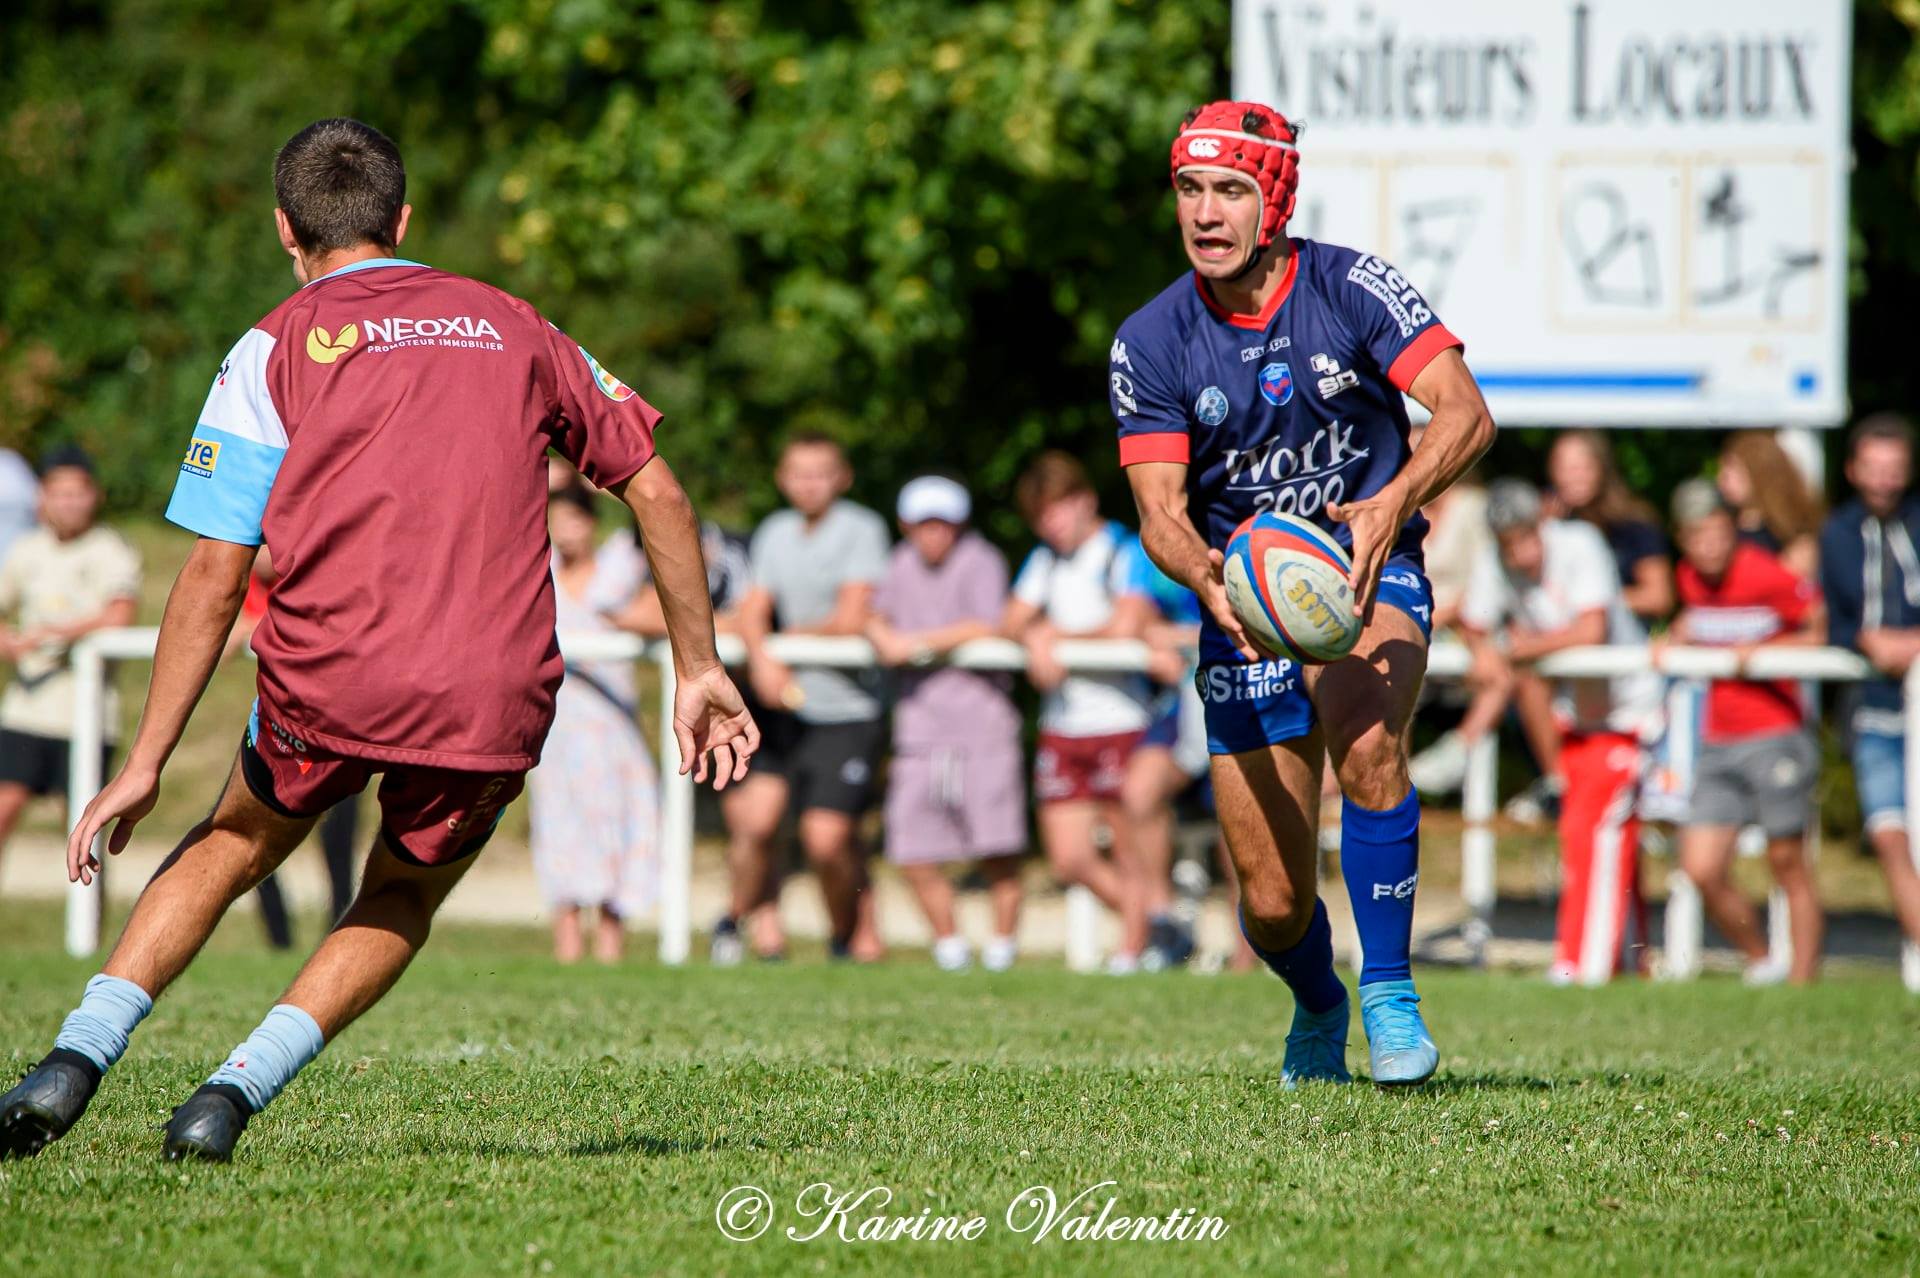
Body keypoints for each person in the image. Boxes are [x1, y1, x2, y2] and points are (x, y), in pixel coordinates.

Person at [0, 118, 754, 1163]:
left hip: (331, 676)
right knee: (400, 892)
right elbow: (660, 494)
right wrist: (699, 667)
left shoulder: (273, 345)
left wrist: (145, 762)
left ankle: (75, 1059)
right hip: (493, 694)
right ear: (403, 221)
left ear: (285, 229)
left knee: (232, 844)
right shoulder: (517, 325)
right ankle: (228, 1098)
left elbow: (216, 572)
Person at [1114, 101, 1495, 1083]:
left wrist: (1391, 504)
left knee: (1367, 744)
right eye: (1189, 189)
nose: (1205, 212)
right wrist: (1207, 579)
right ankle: (1320, 1002)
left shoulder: (1350, 287)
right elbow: (1159, 512)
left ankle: (1391, 996)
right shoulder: (1151, 338)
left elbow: (1464, 412)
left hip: (1367, 569)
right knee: (1274, 903)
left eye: (1229, 190)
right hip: (1243, 608)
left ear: (1273, 199)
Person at [1459, 481, 1662, 985]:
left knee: (1590, 831)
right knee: (1604, 837)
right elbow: (1473, 623)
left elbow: (1592, 630)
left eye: (1527, 538)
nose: (1521, 555)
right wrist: (1486, 650)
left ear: (1542, 525)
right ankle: (1630, 961)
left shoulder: (1581, 544)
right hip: (1579, 717)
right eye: (1510, 545)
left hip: (1631, 713)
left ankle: (1581, 965)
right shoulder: (1493, 561)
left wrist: (1518, 649)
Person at [734, 433, 891, 962]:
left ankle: (848, 932)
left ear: (842, 477)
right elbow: (753, 609)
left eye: (820, 472)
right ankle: (751, 927)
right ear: (782, 479)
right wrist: (763, 659)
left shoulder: (863, 529)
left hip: (846, 708)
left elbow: (852, 616)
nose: (809, 484)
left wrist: (790, 640)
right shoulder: (774, 532)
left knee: (827, 838)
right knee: (757, 825)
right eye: (799, 473)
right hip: (784, 706)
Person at [1665, 480, 1824, 985]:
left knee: (1787, 860)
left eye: (1718, 533)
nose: (1710, 546)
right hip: (1718, 740)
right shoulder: (1688, 579)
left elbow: (1819, 630)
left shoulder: (1766, 573)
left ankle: (1803, 980)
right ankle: (1762, 960)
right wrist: (1673, 638)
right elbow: (1697, 623)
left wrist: (1765, 655)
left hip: (1776, 732)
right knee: (1700, 867)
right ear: (1683, 540)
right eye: (1698, 536)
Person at [867, 475, 1026, 972]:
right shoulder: (898, 564)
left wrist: (915, 645)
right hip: (919, 728)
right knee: (910, 844)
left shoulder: (982, 560)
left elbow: (988, 623)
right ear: (906, 525)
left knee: (997, 846)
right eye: (924, 524)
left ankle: (1001, 950)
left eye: (943, 524)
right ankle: (949, 947)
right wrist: (880, 634)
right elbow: (875, 615)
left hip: (982, 726)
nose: (934, 534)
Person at [1004, 452, 1156, 973]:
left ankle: (1133, 951)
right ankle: (1156, 925)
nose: (1050, 524)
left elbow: (1127, 625)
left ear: (1084, 501)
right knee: (1069, 858)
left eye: (1056, 510)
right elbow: (1011, 619)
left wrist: (1054, 639)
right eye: (1040, 516)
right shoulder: (1044, 561)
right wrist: (1034, 636)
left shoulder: (1123, 550)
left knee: (1128, 849)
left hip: (1121, 720)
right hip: (1062, 725)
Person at [530, 484, 659, 964]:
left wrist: (600, 484)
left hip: (610, 731)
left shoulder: (616, 569)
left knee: (612, 829)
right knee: (559, 829)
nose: (567, 530)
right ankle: (566, 947)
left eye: (576, 519)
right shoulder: (540, 574)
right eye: (558, 520)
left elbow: (648, 520)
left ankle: (610, 948)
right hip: (558, 730)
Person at [0, 448, 140, 879]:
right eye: (59, 493)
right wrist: (10, 641)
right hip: (28, 708)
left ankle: (89, 916)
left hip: (86, 713)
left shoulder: (110, 550)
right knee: (5, 807)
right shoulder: (27, 550)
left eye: (77, 493)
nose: (69, 503)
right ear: (42, 497)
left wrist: (55, 635)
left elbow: (120, 613)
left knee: (83, 829)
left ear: (94, 496)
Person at [1819, 413, 1920, 957]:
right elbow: (1834, 620)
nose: (1884, 479)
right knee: (1889, 833)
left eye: (1894, 468)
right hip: (1874, 707)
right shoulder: (1837, 534)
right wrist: (1870, 641)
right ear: (1854, 470)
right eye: (1874, 467)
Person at [227, 543, 359, 950]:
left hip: (334, 733)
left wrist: (256, 626)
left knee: (338, 844)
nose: (266, 554)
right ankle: (280, 943)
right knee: (252, 836)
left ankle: (338, 938)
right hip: (277, 737)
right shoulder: (239, 583)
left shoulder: (314, 577)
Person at [1118, 547, 1205, 969]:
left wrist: (1183, 637)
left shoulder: (1255, 529)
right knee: (1139, 792)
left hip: (1252, 690)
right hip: (1185, 703)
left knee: (1242, 817)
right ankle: (1163, 921)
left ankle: (1253, 954)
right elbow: (1132, 621)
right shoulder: (1148, 548)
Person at [1716, 430, 1824, 580]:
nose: (1722, 479)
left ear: (1761, 474)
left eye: (1733, 471)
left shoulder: (1794, 537)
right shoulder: (1724, 527)